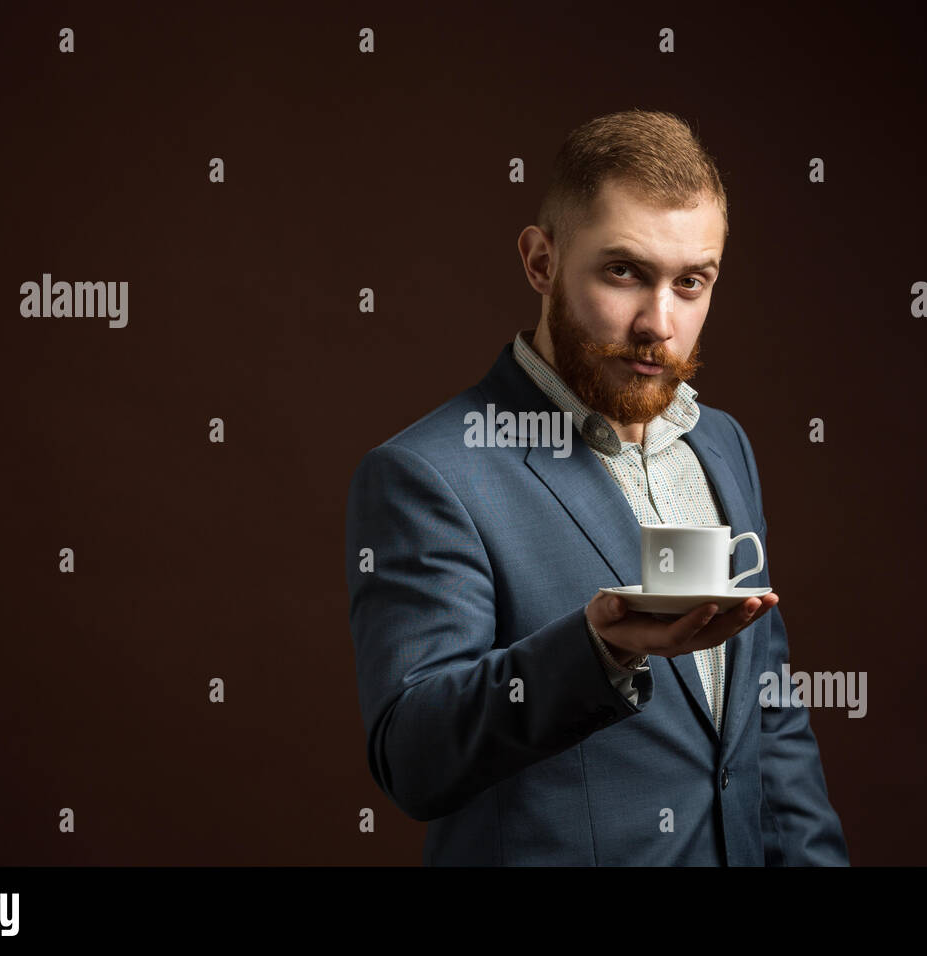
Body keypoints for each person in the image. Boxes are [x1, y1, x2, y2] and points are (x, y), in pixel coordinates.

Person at [345, 109, 848, 865]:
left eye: (691, 282)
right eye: (624, 272)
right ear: (541, 261)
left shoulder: (722, 446)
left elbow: (768, 729)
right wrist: (596, 652)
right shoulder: (429, 474)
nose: (659, 322)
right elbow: (413, 758)